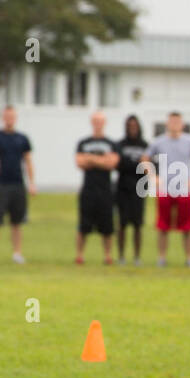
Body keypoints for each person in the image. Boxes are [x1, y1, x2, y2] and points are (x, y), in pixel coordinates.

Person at [143, 111, 190, 267]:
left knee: (187, 227)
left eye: (177, 121)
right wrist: (153, 176)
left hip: (184, 190)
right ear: (167, 123)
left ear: (182, 124)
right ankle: (161, 257)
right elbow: (145, 159)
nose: (174, 124)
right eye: (172, 121)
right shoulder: (159, 142)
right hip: (165, 189)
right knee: (163, 226)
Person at [0, 105, 34, 265]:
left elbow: (28, 161)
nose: (9, 119)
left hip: (18, 183)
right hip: (0, 184)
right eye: (7, 116)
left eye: (12, 117)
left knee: (17, 221)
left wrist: (32, 183)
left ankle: (17, 253)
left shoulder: (22, 138)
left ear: (15, 118)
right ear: (3, 118)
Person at [74, 111, 119, 265]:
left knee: (107, 226)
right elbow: (79, 162)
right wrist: (102, 159)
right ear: (92, 122)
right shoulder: (83, 142)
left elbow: (111, 164)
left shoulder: (112, 144)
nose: (98, 123)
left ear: (104, 123)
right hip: (88, 189)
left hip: (105, 190)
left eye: (101, 121)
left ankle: (107, 255)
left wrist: (90, 158)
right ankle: (80, 255)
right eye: (95, 121)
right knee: (83, 225)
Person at [114, 115, 149, 265]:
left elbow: (150, 166)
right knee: (122, 224)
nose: (133, 128)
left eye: (135, 125)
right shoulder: (120, 144)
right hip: (123, 189)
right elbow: (118, 165)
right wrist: (138, 165)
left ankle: (137, 257)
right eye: (130, 125)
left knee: (137, 224)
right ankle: (121, 256)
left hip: (139, 188)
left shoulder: (145, 145)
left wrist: (137, 165)